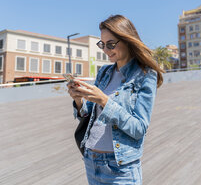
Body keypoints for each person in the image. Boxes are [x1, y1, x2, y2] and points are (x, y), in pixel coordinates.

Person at [67, 15, 163, 184]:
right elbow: (88, 114)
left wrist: (105, 101)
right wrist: (79, 100)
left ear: (127, 40)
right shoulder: (104, 72)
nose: (105, 50)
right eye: (102, 44)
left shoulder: (145, 75)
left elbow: (139, 128)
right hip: (91, 161)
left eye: (111, 44)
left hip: (120, 168)